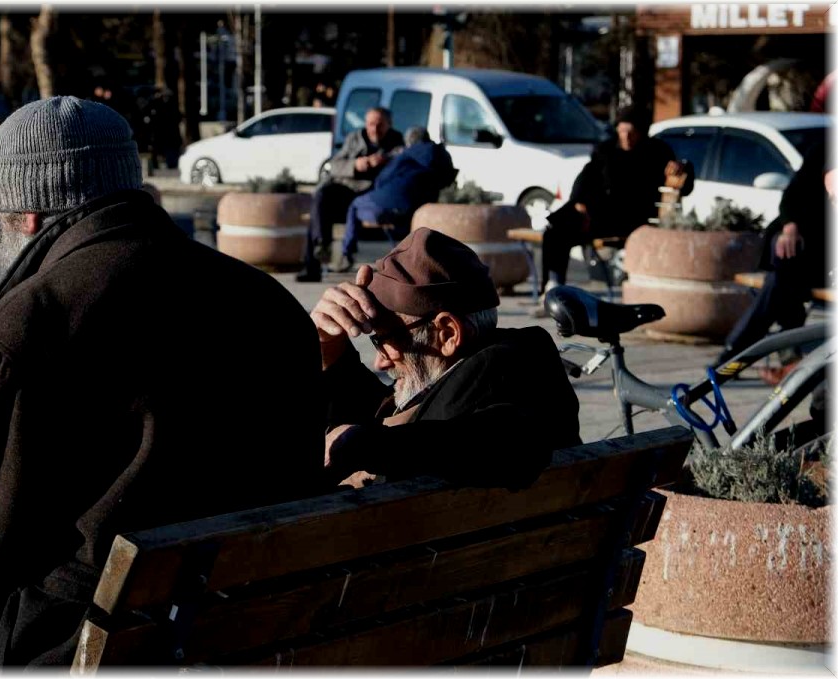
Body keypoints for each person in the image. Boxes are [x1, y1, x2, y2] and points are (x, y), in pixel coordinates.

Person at [0, 97, 326, 670]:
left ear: (26, 217)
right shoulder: (269, 305)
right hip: (251, 632)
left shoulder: (24, 333)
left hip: (95, 650)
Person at [309, 228, 581, 489]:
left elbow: (493, 438)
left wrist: (364, 446)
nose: (379, 362)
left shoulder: (507, 387)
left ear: (448, 333)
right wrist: (330, 351)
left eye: (385, 341)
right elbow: (406, 420)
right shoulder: (482, 377)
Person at [540, 107, 693, 291]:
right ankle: (552, 287)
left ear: (640, 132)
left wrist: (682, 167)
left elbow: (685, 182)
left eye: (631, 132)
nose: (626, 137)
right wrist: (579, 203)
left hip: (629, 217)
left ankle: (554, 287)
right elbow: (586, 177)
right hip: (595, 212)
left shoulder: (656, 151)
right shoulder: (606, 150)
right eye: (622, 131)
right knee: (555, 229)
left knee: (562, 228)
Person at [720, 141, 832, 382]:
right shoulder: (823, 147)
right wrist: (790, 226)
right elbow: (793, 194)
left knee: (779, 281)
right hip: (798, 245)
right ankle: (786, 355)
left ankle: (736, 354)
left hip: (821, 257)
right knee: (782, 263)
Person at [297, 107, 404, 282]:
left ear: (388, 125)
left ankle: (314, 261)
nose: (374, 129)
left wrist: (383, 161)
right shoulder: (354, 138)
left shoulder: (396, 141)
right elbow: (334, 165)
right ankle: (321, 246)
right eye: (371, 124)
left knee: (318, 213)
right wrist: (355, 164)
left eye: (380, 125)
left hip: (372, 196)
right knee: (321, 198)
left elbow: (402, 158)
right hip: (347, 190)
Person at [334, 127, 457, 272]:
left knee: (355, 206)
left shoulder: (406, 153)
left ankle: (346, 254)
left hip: (388, 203)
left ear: (410, 141)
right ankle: (404, 258)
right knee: (401, 223)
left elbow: (382, 179)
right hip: (419, 207)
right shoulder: (442, 155)